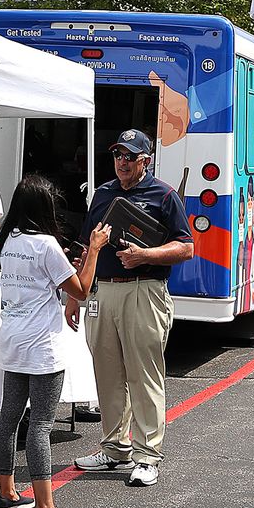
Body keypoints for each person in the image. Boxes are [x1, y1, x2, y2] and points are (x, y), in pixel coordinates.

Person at [67, 129, 195, 487]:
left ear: (145, 161)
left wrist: (145, 255)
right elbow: (86, 246)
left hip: (144, 290)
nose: (122, 162)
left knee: (143, 375)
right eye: (118, 155)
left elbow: (186, 247)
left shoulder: (164, 195)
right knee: (107, 375)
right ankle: (114, 448)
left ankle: (148, 455)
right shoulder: (103, 193)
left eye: (130, 156)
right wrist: (76, 296)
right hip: (103, 291)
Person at [0, 175, 110, 508]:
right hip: (42, 344)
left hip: (12, 337)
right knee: (41, 424)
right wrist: (94, 249)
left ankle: (7, 494)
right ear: (43, 207)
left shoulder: (8, 241)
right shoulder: (46, 245)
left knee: (9, 417)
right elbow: (81, 290)